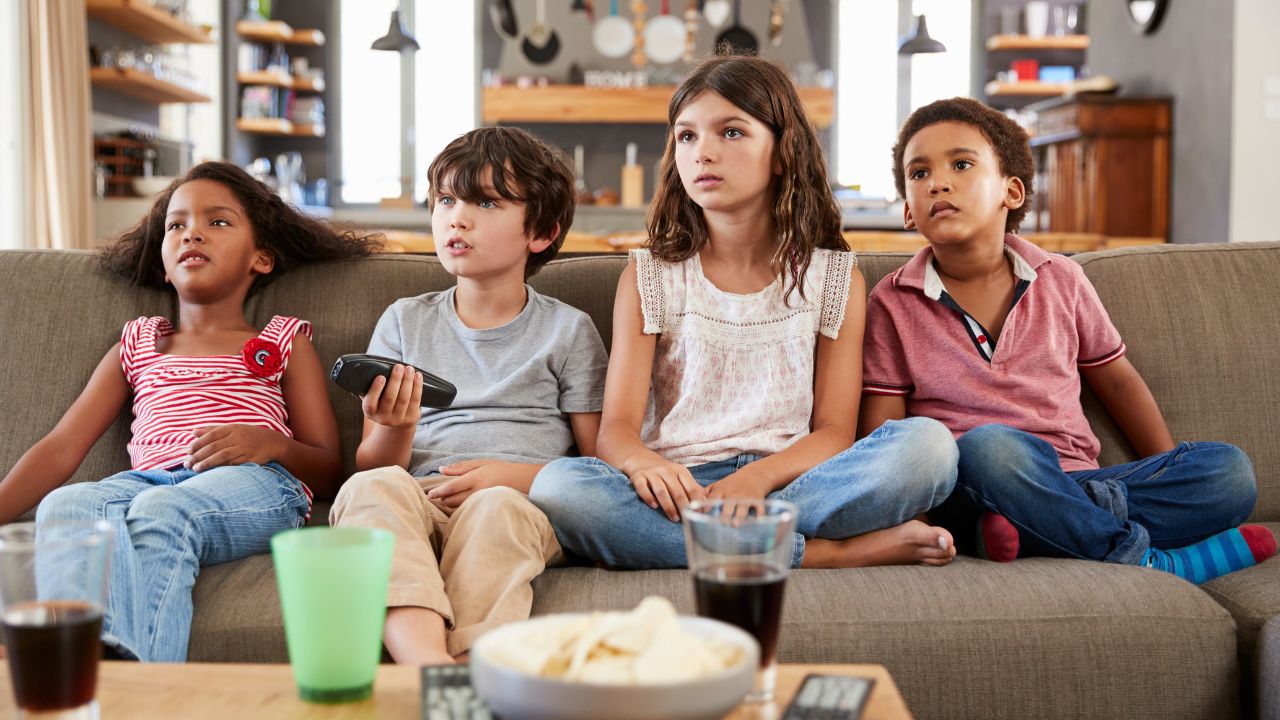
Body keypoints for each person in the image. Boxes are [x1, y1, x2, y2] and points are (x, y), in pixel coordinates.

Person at [529, 54, 959, 572]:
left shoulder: (835, 280)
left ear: (782, 153)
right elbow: (615, 430)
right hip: (678, 491)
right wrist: (642, 462)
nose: (703, 152)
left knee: (929, 448)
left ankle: (722, 541)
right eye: (686, 136)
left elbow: (834, 432)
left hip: (791, 483)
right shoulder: (650, 276)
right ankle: (824, 553)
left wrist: (754, 481)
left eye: (731, 132)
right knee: (563, 487)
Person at [861, 97, 1275, 583]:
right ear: (909, 212)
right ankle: (1144, 558)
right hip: (972, 482)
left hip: (1076, 475)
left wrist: (1163, 468)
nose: (938, 182)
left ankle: (1046, 525)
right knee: (989, 447)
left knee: (1229, 472)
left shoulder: (1063, 280)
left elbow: (1119, 384)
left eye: (962, 163)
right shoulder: (893, 303)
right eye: (918, 174)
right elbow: (883, 437)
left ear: (1011, 192)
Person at [0, 161, 380, 661]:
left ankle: (137, 686)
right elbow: (63, 446)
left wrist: (271, 445)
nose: (191, 232)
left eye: (217, 222)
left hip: (257, 483)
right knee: (65, 507)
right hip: (145, 482)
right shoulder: (137, 344)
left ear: (261, 258)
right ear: (162, 262)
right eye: (176, 225)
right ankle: (96, 667)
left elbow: (330, 469)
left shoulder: (283, 341)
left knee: (162, 511)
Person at [328, 127, 608, 666]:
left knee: (494, 507)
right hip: (420, 500)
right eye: (446, 200)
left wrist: (513, 476)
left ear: (542, 233)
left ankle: (466, 666)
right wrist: (395, 426)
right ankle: (431, 670)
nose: (456, 217)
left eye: (486, 202)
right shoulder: (405, 321)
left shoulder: (569, 331)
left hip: (521, 505)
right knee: (373, 489)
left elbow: (597, 470)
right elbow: (371, 464)